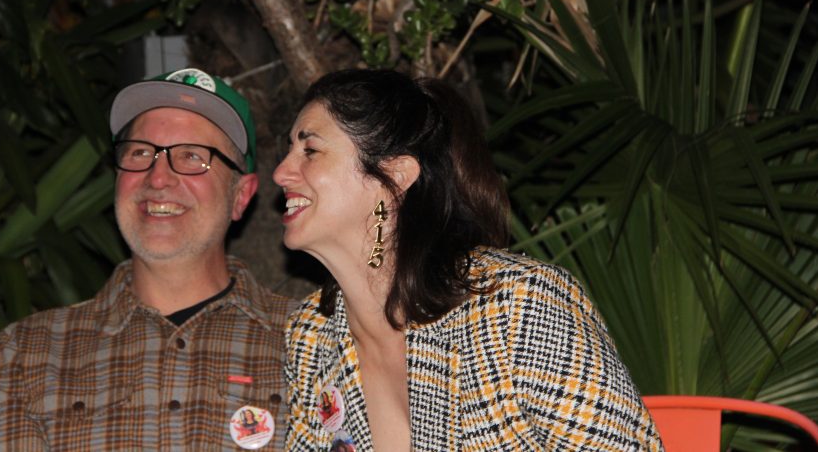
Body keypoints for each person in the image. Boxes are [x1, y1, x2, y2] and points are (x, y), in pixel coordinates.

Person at [274, 69, 662, 451]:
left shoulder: (517, 309)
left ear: (393, 177)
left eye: (310, 150)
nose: (280, 173)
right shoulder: (311, 337)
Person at [0, 67, 296, 450]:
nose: (158, 178)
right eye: (141, 152)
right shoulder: (30, 353)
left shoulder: (312, 342)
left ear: (241, 195)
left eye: (192, 156)